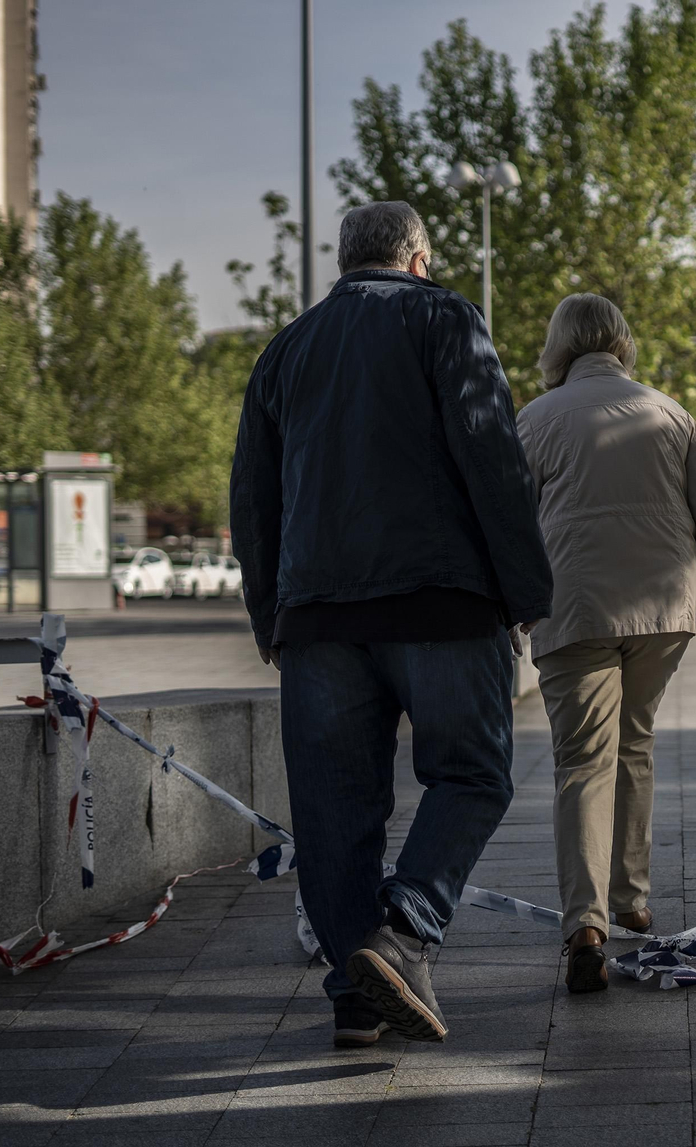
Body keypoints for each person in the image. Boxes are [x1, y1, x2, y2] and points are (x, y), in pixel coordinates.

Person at [230, 201, 554, 1048]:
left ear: (343, 263)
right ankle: (405, 930)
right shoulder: (445, 316)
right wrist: (524, 591)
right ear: (418, 258)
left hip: (318, 618)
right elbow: (490, 452)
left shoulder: (285, 350)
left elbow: (253, 500)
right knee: (474, 773)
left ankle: (353, 995)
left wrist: (269, 613)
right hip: (440, 600)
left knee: (334, 810)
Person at [515, 294, 696, 993]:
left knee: (584, 760)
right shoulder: (670, 413)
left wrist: (508, 608)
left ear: (559, 346)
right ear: (621, 341)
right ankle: (631, 897)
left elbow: (508, 523)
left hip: (573, 606)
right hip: (663, 609)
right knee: (636, 742)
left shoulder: (534, 418)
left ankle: (586, 922)